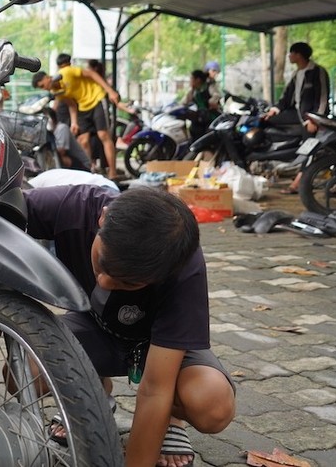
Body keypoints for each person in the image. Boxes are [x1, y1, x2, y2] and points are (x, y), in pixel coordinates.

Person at [24, 184, 235, 467]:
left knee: (212, 405)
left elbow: (154, 389)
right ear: (103, 217)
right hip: (94, 330)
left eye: (128, 283)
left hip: (157, 347)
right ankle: (94, 391)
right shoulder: (70, 206)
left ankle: (171, 421)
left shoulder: (183, 266)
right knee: (24, 370)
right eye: (103, 264)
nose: (103, 283)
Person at [262, 41, 331, 194]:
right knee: (264, 121)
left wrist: (315, 119)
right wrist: (275, 109)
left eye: (291, 53)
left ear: (298, 55)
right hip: (297, 116)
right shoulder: (296, 74)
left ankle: (297, 184)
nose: (289, 56)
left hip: (311, 119)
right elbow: (287, 97)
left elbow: (323, 98)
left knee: (308, 149)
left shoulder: (317, 71)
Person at [35, 61, 122, 179]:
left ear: (46, 78)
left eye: (42, 85)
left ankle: (113, 173)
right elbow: (71, 105)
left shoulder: (66, 72)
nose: (44, 88)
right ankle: (90, 171)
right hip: (82, 106)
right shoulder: (56, 92)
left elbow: (91, 74)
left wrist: (110, 91)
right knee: (83, 140)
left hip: (96, 98)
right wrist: (74, 122)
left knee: (103, 135)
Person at [35, 89, 91, 172]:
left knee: (59, 157)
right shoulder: (50, 132)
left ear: (52, 119)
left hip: (82, 166)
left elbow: (61, 151)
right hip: (71, 162)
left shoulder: (61, 128)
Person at [182, 69, 220, 139]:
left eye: (191, 78)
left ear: (198, 80)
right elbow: (185, 102)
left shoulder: (209, 87)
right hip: (200, 117)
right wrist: (192, 89)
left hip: (211, 117)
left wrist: (210, 102)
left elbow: (216, 96)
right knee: (193, 130)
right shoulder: (194, 90)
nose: (190, 81)